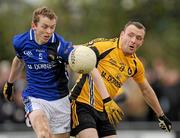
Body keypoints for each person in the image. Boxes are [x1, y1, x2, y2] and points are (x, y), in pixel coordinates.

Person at [70, 21, 172, 138]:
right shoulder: (104, 46)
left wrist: (161, 115)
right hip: (82, 104)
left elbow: (146, 90)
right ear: (122, 34)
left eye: (138, 38)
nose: (133, 40)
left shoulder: (135, 65)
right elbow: (77, 50)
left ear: (142, 42)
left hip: (105, 110)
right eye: (130, 35)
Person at [2, 7, 74, 138]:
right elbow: (19, 60)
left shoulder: (59, 44)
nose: (49, 31)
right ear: (34, 26)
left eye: (52, 27)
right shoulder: (20, 42)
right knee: (44, 133)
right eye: (45, 27)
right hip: (35, 97)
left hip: (60, 100)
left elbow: (77, 57)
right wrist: (10, 83)